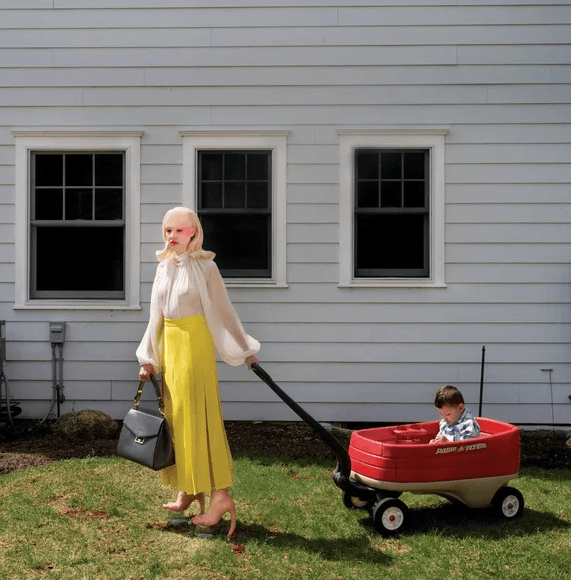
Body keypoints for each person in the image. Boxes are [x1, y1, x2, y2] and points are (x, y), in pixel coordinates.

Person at [136, 206, 260, 537]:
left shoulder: (206, 267)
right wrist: (148, 357)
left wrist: (246, 351)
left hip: (195, 348)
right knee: (177, 420)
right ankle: (190, 488)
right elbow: (155, 316)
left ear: (194, 231)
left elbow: (223, 310)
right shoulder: (164, 267)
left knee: (199, 419)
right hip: (171, 348)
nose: (171, 236)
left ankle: (219, 496)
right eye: (166, 231)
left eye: (178, 230)